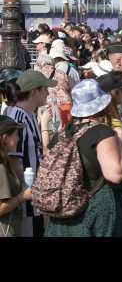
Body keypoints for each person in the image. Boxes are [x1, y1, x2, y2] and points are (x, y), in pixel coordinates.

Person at [45, 79, 122, 237]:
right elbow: (115, 175)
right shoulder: (102, 133)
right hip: (94, 206)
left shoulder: (62, 134)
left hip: (62, 205)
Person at [5, 70, 57, 237]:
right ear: (35, 91)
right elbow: (14, 160)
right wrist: (24, 192)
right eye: (45, 89)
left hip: (32, 195)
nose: (48, 93)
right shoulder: (19, 117)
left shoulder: (29, 115)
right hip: (26, 198)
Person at [0, 116, 32, 237]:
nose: (18, 139)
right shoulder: (1, 167)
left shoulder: (6, 162)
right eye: (16, 135)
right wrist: (23, 197)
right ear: (5, 138)